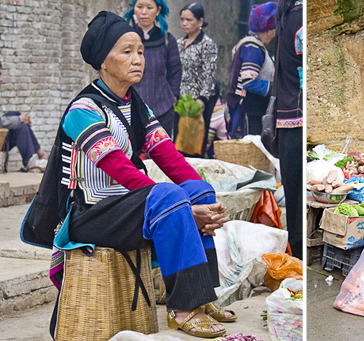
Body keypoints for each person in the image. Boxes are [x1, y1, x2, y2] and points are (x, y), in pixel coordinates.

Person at [40, 12, 233, 338]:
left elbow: (170, 157)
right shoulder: (83, 111)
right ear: (103, 61)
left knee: (199, 189)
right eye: (126, 52)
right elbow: (122, 169)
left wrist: (198, 200)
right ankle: (182, 307)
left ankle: (202, 297)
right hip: (94, 215)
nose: (138, 59)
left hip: (127, 208)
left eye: (140, 52)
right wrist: (181, 207)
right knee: (169, 197)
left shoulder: (136, 106)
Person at [124, 0, 182, 138]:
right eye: (140, 7)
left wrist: (173, 96)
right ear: (134, 10)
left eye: (149, 7)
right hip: (131, 106)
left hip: (162, 106)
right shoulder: (124, 38)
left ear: (158, 10)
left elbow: (175, 70)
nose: (144, 12)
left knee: (161, 154)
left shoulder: (167, 39)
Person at [274, 0, 303, 258]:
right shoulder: (300, 17)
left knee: (294, 200)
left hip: (288, 121)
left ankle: (296, 261)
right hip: (298, 119)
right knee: (297, 201)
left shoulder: (288, 15)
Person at [225, 2, 277, 139]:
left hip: (250, 108)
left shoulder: (251, 45)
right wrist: (276, 88)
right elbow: (249, 82)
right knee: (251, 148)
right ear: (270, 30)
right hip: (249, 109)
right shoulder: (253, 48)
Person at [177, 2, 218, 156]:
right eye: (182, 19)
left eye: (189, 20)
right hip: (181, 98)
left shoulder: (207, 44)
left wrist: (202, 99)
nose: (184, 23)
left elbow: (209, 73)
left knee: (195, 141)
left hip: (197, 100)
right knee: (180, 139)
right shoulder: (179, 43)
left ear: (200, 22)